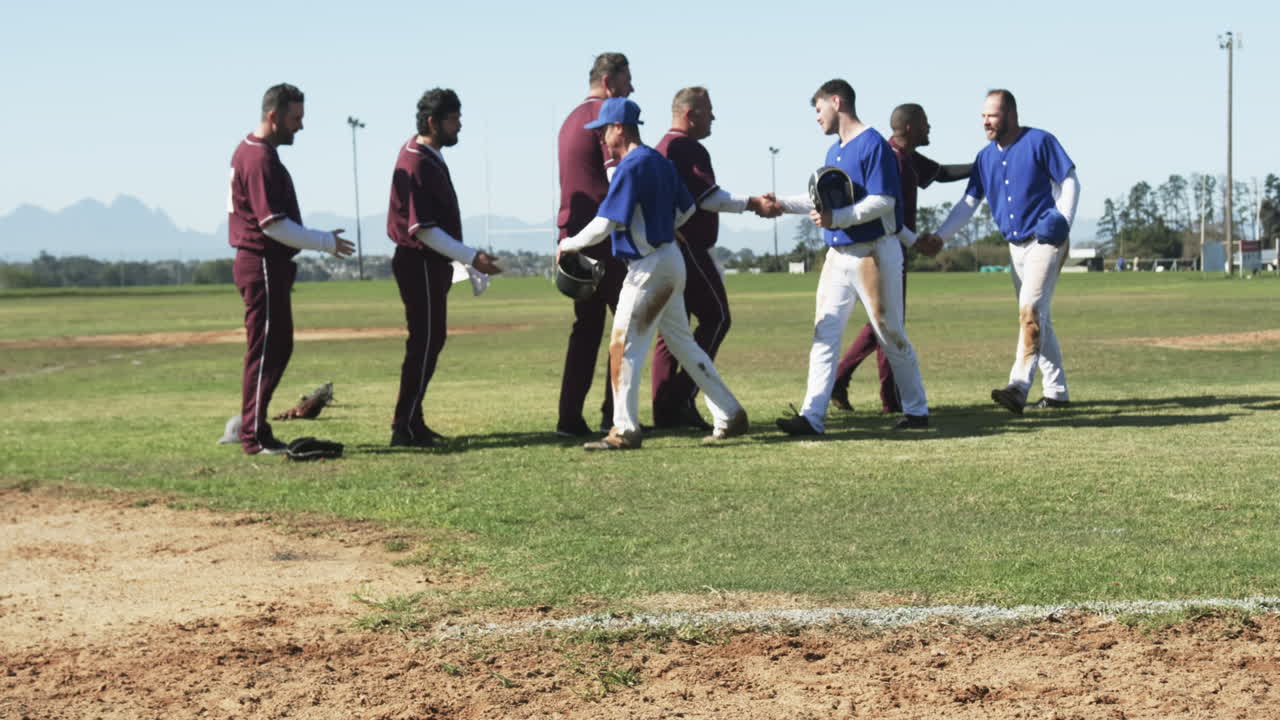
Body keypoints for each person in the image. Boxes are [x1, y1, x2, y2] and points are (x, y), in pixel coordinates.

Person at [558, 98, 748, 450]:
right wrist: (665, 226)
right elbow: (688, 207)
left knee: (623, 345)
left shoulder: (631, 165)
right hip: (669, 259)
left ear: (619, 128)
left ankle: (624, 430)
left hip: (647, 266)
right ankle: (730, 412)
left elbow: (606, 222)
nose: (600, 138)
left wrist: (570, 243)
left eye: (603, 130)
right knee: (682, 344)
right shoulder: (657, 161)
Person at [773, 79, 935, 436]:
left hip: (874, 254)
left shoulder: (873, 143)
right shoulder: (836, 151)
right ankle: (811, 416)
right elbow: (821, 201)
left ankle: (917, 411)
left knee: (889, 332)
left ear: (836, 101)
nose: (817, 117)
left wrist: (838, 219)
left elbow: (884, 201)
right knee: (824, 332)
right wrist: (778, 204)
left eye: (818, 109)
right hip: (839, 254)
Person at [920, 89, 1079, 413]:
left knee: (1030, 310)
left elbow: (1071, 181)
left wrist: (1063, 219)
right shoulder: (985, 157)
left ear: (1011, 114)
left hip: (1045, 240)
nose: (985, 122)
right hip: (1014, 247)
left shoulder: (1040, 141)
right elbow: (968, 203)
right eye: (982, 116)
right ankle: (1057, 393)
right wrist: (941, 236)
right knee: (1037, 318)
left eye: (991, 115)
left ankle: (1018, 387)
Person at [227, 83, 354, 455]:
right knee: (267, 350)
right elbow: (272, 225)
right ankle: (252, 435)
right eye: (295, 118)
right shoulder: (259, 158)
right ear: (273, 116)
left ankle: (256, 427)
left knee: (277, 347)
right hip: (261, 263)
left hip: (268, 265)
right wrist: (325, 242)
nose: (300, 126)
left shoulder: (256, 152)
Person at [650, 86, 780, 430]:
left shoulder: (662, 148)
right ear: (690, 115)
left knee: (671, 329)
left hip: (666, 247)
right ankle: (680, 397)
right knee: (717, 317)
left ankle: (664, 408)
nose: (714, 118)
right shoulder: (688, 147)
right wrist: (753, 202)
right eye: (709, 112)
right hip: (689, 245)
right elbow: (708, 197)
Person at [829, 103, 970, 414]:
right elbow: (884, 207)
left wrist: (982, 166)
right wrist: (913, 240)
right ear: (910, 127)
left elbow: (942, 173)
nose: (930, 128)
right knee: (888, 322)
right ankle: (885, 398)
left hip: (899, 248)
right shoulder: (891, 158)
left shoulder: (909, 158)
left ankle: (849, 382)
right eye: (925, 123)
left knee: (885, 322)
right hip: (882, 249)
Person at [386, 88, 502, 447]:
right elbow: (422, 229)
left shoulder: (426, 154)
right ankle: (404, 426)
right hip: (418, 261)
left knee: (430, 340)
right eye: (454, 119)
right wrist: (471, 256)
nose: (460, 125)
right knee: (425, 341)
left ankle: (413, 421)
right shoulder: (416, 161)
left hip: (429, 264)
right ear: (433, 122)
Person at [555, 52, 634, 438]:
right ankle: (615, 412)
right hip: (604, 240)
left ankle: (569, 416)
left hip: (572, 238)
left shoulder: (569, 119)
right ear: (609, 83)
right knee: (625, 325)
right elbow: (621, 177)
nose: (632, 88)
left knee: (585, 329)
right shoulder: (606, 118)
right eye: (627, 80)